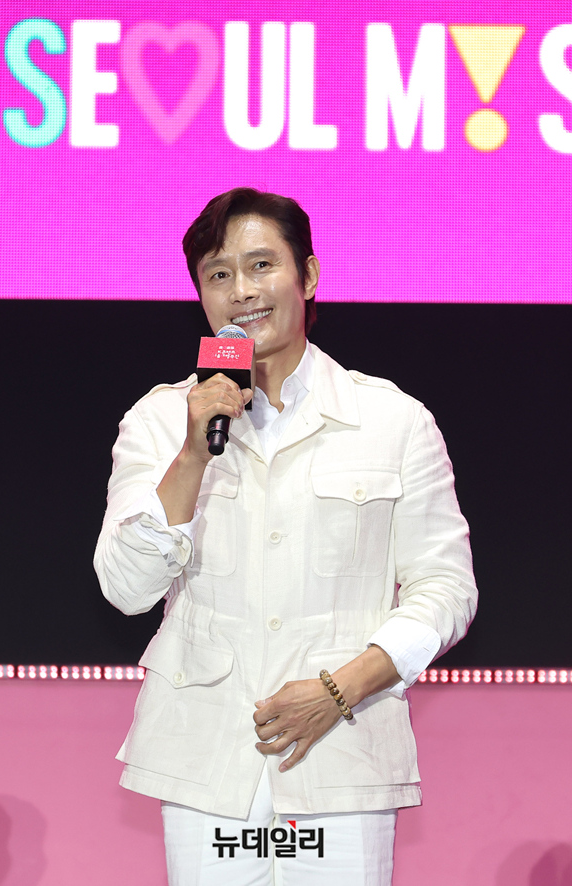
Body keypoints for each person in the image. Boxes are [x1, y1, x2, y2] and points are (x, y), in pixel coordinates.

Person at [94, 188, 477, 885]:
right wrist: (192, 454)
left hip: (342, 752)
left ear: (309, 274)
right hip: (208, 763)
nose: (242, 290)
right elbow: (126, 587)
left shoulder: (392, 420)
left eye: (261, 265)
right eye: (218, 274)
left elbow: (446, 589)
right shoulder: (161, 421)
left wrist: (340, 689)